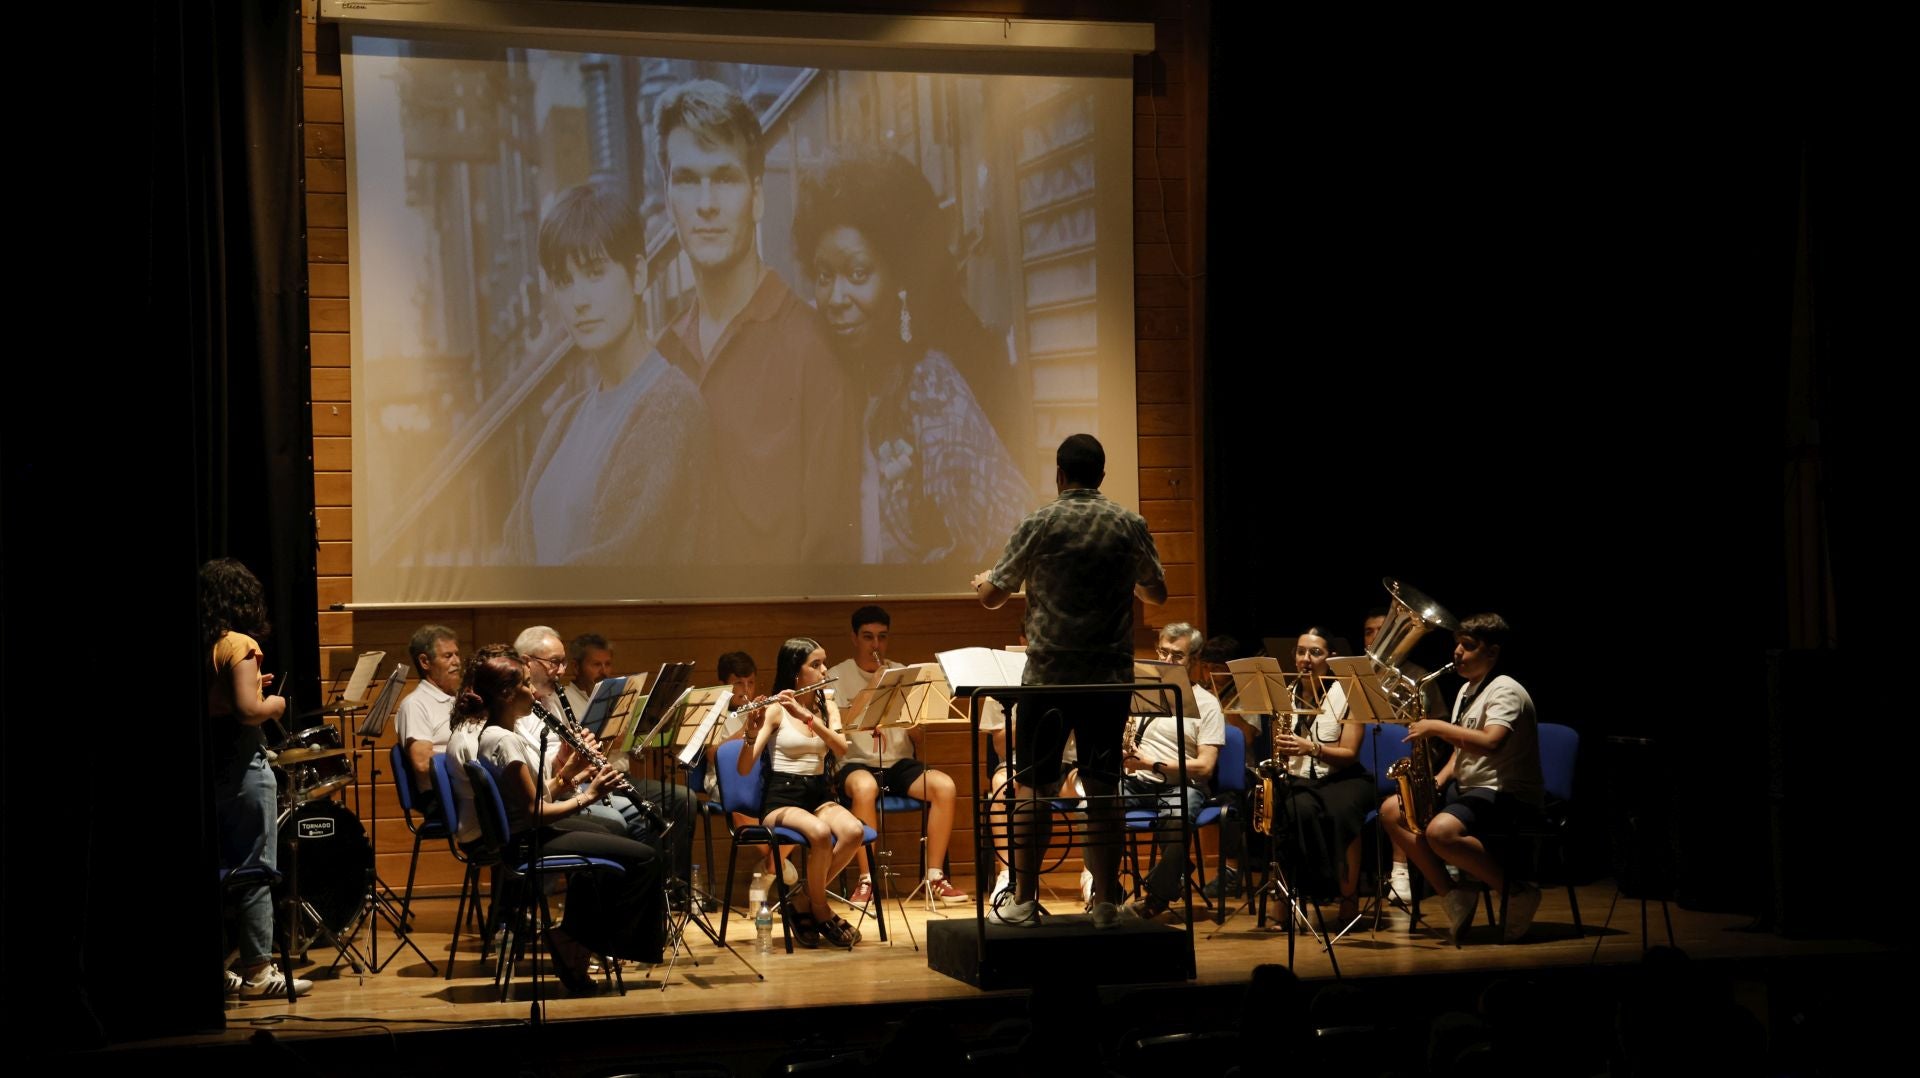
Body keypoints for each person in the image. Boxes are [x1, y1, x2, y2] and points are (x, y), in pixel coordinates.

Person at [793, 144, 1033, 563]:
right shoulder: (827, 376)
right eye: (823, 275)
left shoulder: (930, 384)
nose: (835, 297)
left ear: (898, 277)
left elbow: (1014, 540)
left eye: (857, 273)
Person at [650, 79, 857, 564]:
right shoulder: (662, 356)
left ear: (757, 197)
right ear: (668, 202)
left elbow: (831, 550)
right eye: (686, 180)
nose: (706, 203)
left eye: (724, 178)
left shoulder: (814, 349)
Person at [973, 433, 1167, 929]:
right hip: (1108, 678)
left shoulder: (1039, 522)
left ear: (1060, 475)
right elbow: (1158, 593)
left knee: (1034, 788)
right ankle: (1104, 902)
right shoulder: (1128, 523)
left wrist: (982, 583)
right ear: (1102, 475)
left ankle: (1023, 898)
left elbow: (994, 597)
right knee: (1104, 788)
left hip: (1050, 678)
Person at [502, 184, 711, 564]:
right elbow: (514, 546)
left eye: (595, 273)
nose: (579, 300)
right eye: (564, 281)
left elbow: (625, 560)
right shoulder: (566, 419)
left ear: (637, 275)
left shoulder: (671, 406)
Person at [459, 651, 665, 992]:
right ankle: (580, 940)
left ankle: (576, 938)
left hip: (526, 835)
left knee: (611, 829)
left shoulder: (495, 734)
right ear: (507, 695)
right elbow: (535, 812)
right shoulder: (505, 741)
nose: (536, 692)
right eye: (526, 685)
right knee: (645, 857)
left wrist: (569, 773)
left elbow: (538, 796)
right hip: (529, 841)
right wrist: (591, 794)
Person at [1379, 613, 1546, 943]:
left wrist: (1436, 727)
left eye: (1468, 646)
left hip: (1506, 793)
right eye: (1457, 644)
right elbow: (1461, 753)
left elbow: (1490, 742)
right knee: (1391, 812)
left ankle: (1516, 892)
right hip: (1470, 790)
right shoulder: (1467, 690)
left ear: (1492, 652)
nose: (1457, 652)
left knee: (1441, 832)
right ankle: (1452, 894)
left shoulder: (1506, 690)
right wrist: (1437, 782)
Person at [201, 557, 311, 999]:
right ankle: (258, 972)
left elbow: (224, 701)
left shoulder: (205, 644)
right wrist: (276, 705)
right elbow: (249, 712)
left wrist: (249, 687)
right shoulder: (240, 643)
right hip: (243, 771)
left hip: (211, 767)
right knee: (254, 869)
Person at [514, 626, 696, 878]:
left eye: (562, 662)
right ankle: (621, 896)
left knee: (678, 800)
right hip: (559, 793)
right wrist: (572, 767)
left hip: (575, 783)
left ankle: (657, 886)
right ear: (526, 662)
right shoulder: (521, 711)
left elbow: (561, 763)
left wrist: (573, 760)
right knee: (617, 821)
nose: (561, 671)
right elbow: (539, 775)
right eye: (555, 663)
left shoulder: (551, 702)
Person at [828, 604, 967, 905]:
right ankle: (867, 880)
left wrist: (917, 721)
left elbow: (916, 735)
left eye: (882, 637)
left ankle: (935, 877)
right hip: (856, 763)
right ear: (854, 638)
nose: (875, 645)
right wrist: (874, 687)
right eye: (868, 637)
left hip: (898, 764)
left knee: (945, 786)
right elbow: (840, 726)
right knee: (865, 787)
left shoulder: (902, 672)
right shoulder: (837, 675)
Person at [737, 637, 868, 948]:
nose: (824, 671)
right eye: (816, 665)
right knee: (820, 834)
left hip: (817, 794)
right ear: (796, 672)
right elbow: (744, 768)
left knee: (853, 831)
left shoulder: (826, 703)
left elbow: (840, 747)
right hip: (781, 797)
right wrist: (750, 733)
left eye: (824, 663)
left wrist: (807, 716)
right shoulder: (774, 710)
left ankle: (806, 899)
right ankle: (822, 910)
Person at [1265, 627, 1374, 924]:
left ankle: (1348, 898)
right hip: (1302, 778)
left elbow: (1349, 753)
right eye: (1301, 652)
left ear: (1331, 658)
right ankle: (1286, 898)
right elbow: (1280, 745)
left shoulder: (1350, 692)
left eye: (1315, 652)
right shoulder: (1285, 694)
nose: (1306, 659)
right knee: (1289, 810)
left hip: (1344, 777)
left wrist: (1310, 747)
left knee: (1340, 813)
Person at [1121, 622, 1226, 920]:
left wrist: (1152, 763)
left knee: (1179, 814)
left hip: (1181, 785)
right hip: (1137, 781)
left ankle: (1157, 894)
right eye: (1163, 653)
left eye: (1176, 656)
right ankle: (1106, 892)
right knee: (1095, 806)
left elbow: (1205, 767)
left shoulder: (1206, 704)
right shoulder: (1140, 693)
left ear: (1193, 660)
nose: (1166, 662)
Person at [1363, 607, 1449, 906]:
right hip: (1361, 762)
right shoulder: (1355, 676)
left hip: (1404, 764)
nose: (1374, 637)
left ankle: (1399, 871)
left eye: (1380, 630)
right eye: (1368, 632)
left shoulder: (1418, 678)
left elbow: (1438, 724)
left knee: (1402, 792)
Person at [393, 624, 461, 823]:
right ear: (425, 662)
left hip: (465, 789)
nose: (457, 662)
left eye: (457, 654)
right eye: (448, 656)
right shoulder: (415, 705)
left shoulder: (459, 699)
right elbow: (423, 763)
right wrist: (470, 762)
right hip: (442, 797)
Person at [562, 631, 615, 719]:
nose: (604, 672)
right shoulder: (560, 701)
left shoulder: (616, 699)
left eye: (608, 664)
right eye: (596, 664)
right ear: (576, 667)